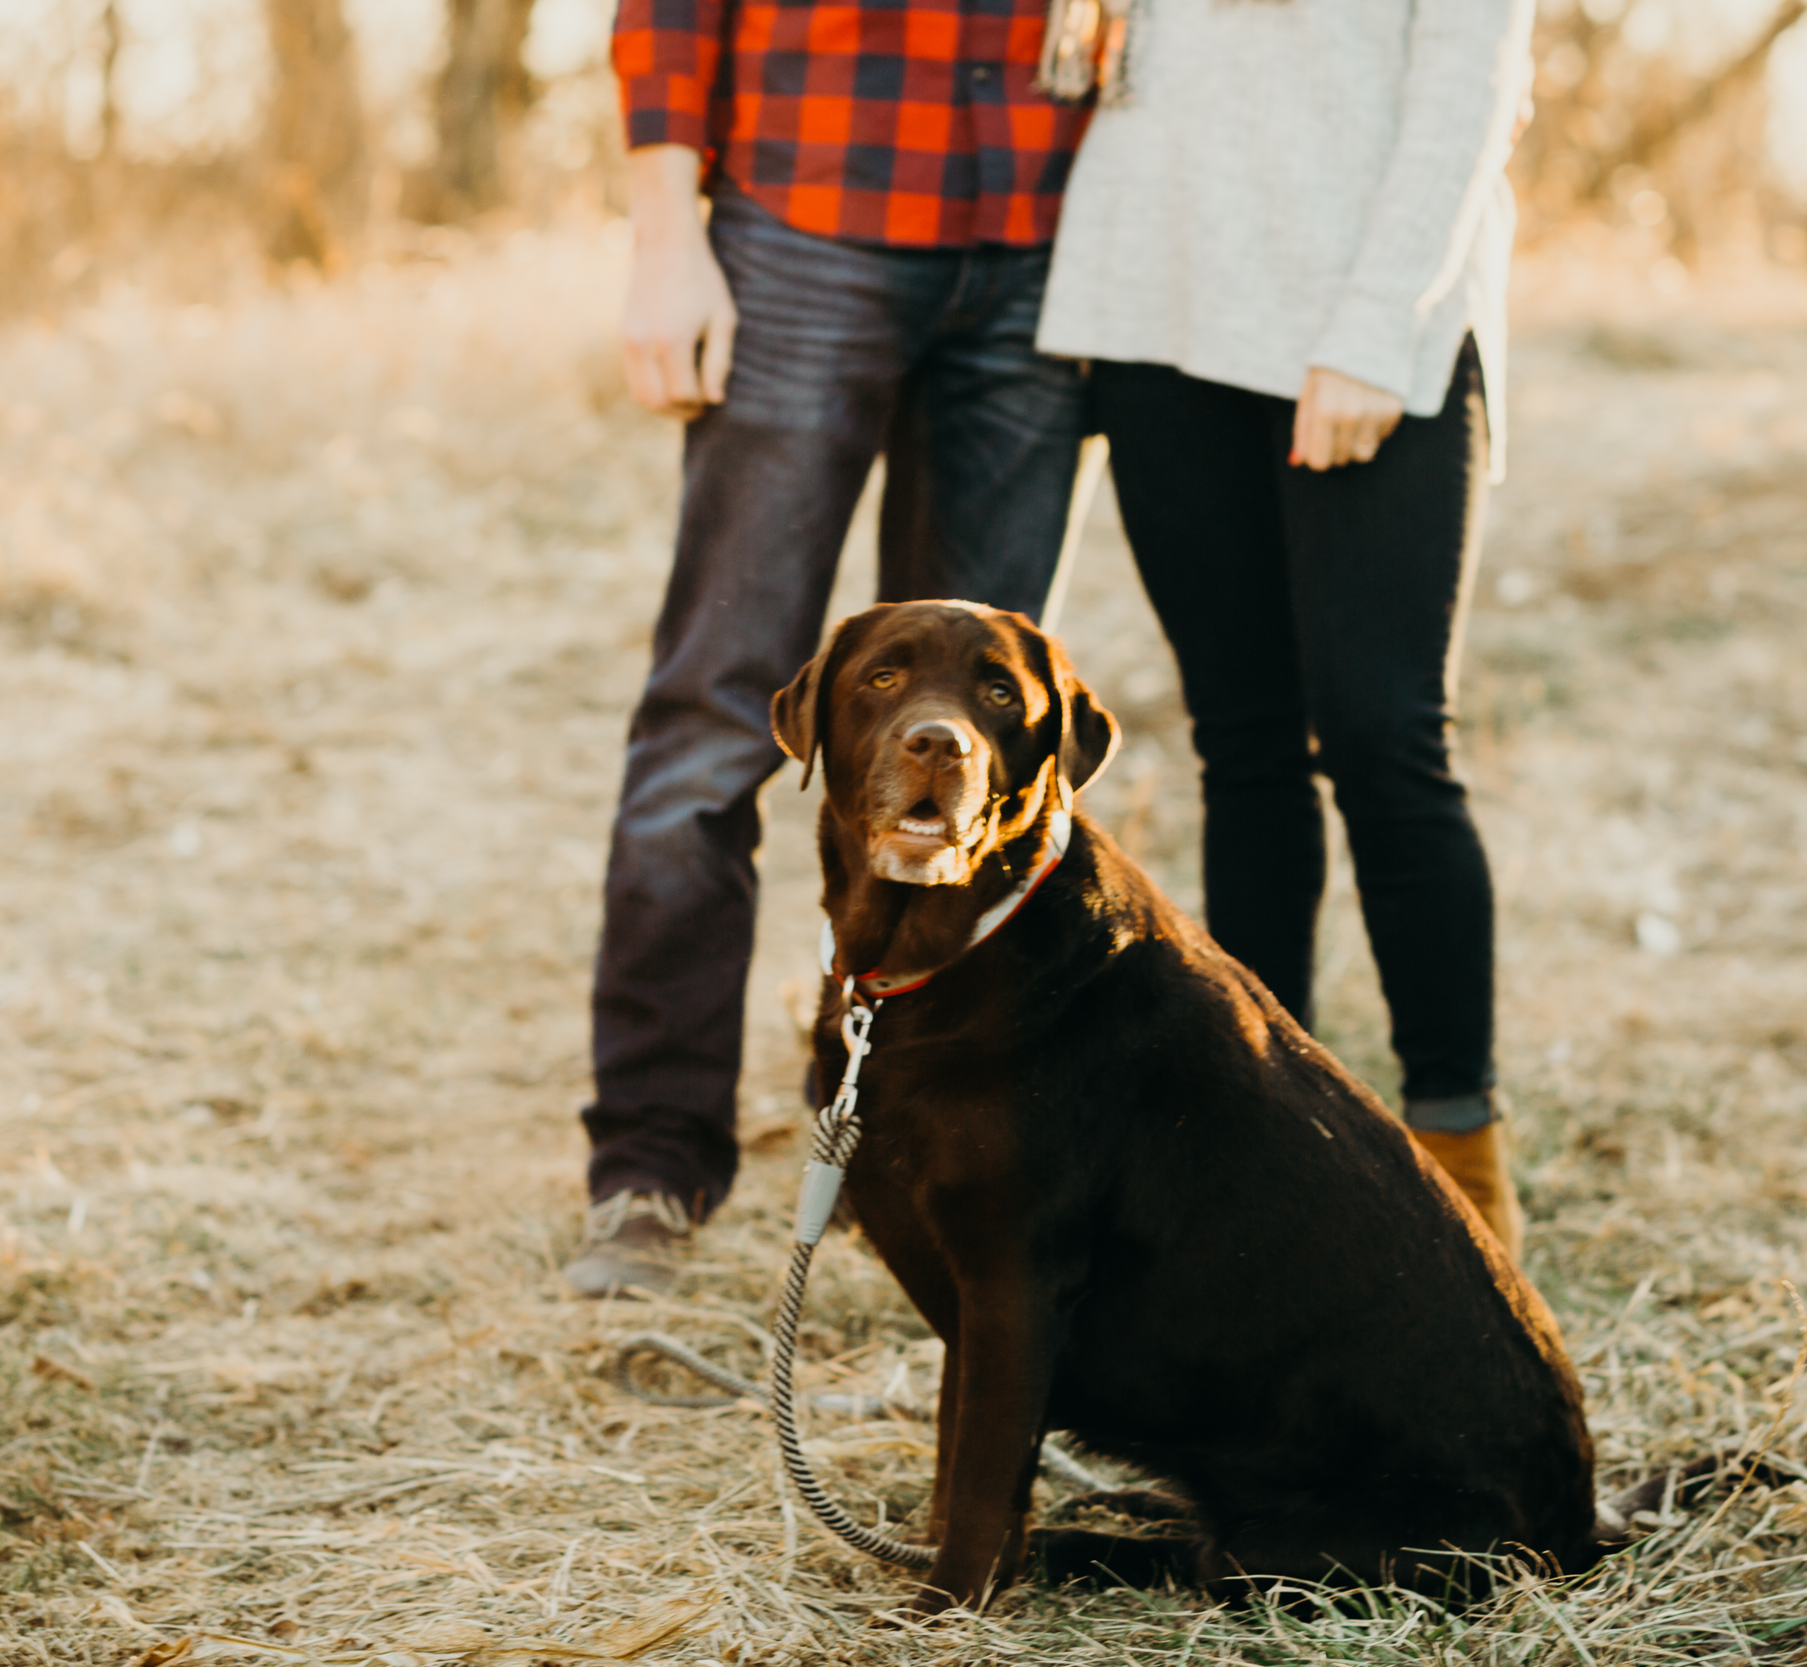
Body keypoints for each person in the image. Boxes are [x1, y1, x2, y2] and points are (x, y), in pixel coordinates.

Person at [566, 0, 1096, 1296]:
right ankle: (650, 1162)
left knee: (966, 767)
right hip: (805, 218)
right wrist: (664, 234)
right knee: (714, 717)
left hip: (1045, 236)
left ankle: (888, 1147)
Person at [1035, 0, 1536, 1256]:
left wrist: (1375, 329)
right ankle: (1268, 1130)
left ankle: (1455, 1149)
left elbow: (1469, 89)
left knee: (1383, 738)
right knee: (1243, 746)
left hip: (1371, 331)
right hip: (1158, 311)